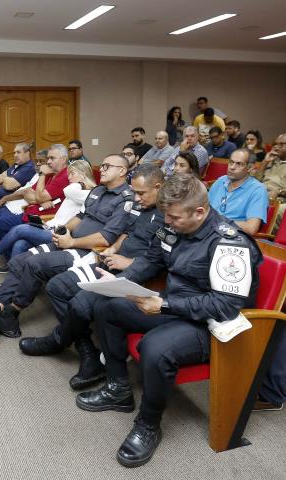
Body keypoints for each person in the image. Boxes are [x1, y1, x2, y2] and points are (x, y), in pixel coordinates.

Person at [77, 173, 261, 468]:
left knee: (155, 347)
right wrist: (121, 282)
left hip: (209, 323)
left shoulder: (231, 244)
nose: (168, 223)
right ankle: (119, 389)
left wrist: (164, 304)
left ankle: (149, 424)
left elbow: (225, 304)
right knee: (107, 307)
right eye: (167, 217)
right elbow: (152, 260)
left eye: (174, 218)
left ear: (199, 211)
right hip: (172, 306)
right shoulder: (172, 224)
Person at [0, 154, 133, 341]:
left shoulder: (126, 200)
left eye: (107, 166)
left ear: (121, 171)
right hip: (69, 242)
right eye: (101, 165)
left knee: (33, 263)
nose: (101, 169)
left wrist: (71, 242)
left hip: (87, 251)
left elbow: (106, 237)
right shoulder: (98, 192)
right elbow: (80, 218)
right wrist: (63, 231)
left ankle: (9, 314)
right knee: (17, 262)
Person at [19, 165, 165, 391]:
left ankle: (59, 340)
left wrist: (128, 263)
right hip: (111, 261)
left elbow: (159, 260)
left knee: (80, 303)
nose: (136, 198)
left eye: (141, 193)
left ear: (159, 187)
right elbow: (127, 233)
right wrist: (114, 249)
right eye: (134, 192)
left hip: (136, 275)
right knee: (58, 287)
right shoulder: (140, 205)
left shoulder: (170, 215)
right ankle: (86, 348)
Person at [0, 160, 96, 269]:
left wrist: (80, 183)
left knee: (20, 229)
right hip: (50, 226)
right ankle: (14, 281)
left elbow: (68, 190)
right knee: (20, 244)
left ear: (83, 174)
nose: (69, 177)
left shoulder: (89, 193)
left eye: (72, 174)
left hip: (59, 234)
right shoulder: (78, 190)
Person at [207, 149, 268, 236]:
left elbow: (251, 228)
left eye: (239, 164)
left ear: (250, 168)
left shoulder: (258, 190)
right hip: (208, 230)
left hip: (232, 236)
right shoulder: (221, 180)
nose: (232, 167)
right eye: (231, 162)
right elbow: (205, 208)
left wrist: (219, 221)